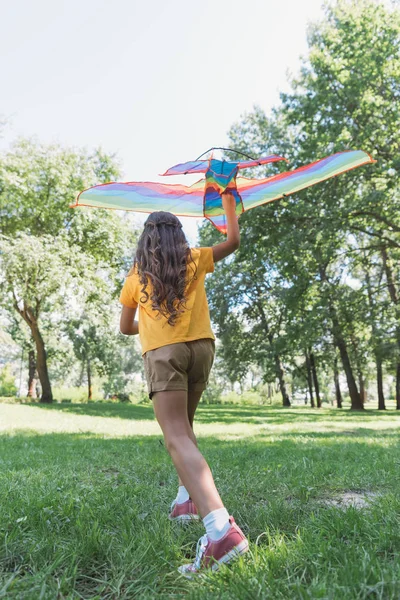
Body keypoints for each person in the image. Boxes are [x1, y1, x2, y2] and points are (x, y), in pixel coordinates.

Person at [119, 190, 249, 576]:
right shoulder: (195, 259)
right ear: (178, 236)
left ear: (146, 239)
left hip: (164, 353)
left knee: (175, 435)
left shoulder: (136, 277)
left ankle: (220, 531)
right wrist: (228, 201)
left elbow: (126, 328)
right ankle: (185, 500)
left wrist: (153, 319)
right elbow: (234, 241)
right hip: (202, 350)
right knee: (185, 430)